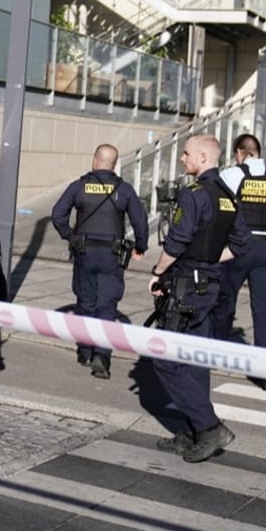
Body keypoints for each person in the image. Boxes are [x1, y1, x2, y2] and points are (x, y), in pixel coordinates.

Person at [148, 134, 249, 463]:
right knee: (196, 358)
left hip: (185, 287)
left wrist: (158, 271)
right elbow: (241, 244)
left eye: (186, 153)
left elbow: (176, 241)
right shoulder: (227, 196)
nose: (182, 159)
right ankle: (193, 431)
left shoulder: (194, 194)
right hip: (210, 285)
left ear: (203, 158)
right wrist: (207, 260)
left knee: (164, 358)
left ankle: (208, 427)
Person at [51, 144, 149, 380]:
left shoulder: (79, 186)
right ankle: (102, 355)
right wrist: (140, 246)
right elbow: (140, 221)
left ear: (95, 161)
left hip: (84, 252)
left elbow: (57, 214)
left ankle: (84, 352)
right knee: (106, 306)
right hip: (111, 256)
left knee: (85, 302)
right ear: (114, 164)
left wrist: (70, 236)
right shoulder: (123, 190)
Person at [213, 133, 266, 391]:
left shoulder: (230, 175)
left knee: (225, 299)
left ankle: (216, 351)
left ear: (238, 152)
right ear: (258, 152)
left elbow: (220, 211)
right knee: (264, 311)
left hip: (237, 247)